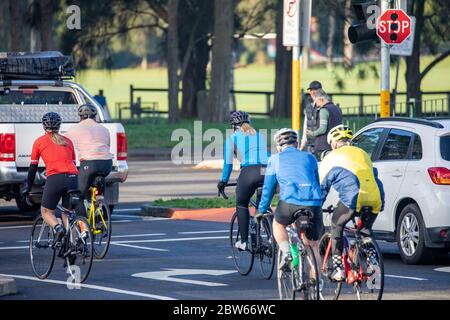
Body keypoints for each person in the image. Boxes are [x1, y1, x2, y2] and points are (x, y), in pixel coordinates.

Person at [319, 124, 385, 282]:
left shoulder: (330, 158)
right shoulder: (362, 153)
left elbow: (322, 187)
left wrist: (317, 206)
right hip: (376, 197)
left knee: (336, 225)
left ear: (333, 144)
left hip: (353, 198)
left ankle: (337, 269)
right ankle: (372, 263)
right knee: (365, 231)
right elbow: (374, 175)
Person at [257, 128, 323, 270]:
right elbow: (316, 182)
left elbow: (268, 189)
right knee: (313, 246)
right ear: (297, 143)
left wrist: (261, 210)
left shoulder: (275, 159)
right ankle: (316, 284)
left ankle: (287, 252)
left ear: (278, 147)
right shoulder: (310, 157)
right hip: (313, 203)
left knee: (278, 224)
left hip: (290, 202)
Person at [22, 112, 78, 245]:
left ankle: (58, 229)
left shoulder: (39, 141)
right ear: (59, 126)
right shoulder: (67, 141)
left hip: (55, 178)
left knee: (46, 211)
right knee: (68, 213)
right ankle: (74, 245)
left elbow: (33, 168)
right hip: (73, 178)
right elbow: (74, 164)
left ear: (43, 126)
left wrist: (27, 188)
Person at [217, 111, 269, 251]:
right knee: (263, 204)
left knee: (241, 204)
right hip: (267, 170)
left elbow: (228, 164)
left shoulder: (232, 138)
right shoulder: (259, 135)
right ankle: (268, 233)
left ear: (234, 126)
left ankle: (244, 241)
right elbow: (266, 155)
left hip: (249, 172)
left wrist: (222, 182)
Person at [66, 104, 113, 216]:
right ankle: (99, 202)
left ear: (80, 117)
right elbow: (107, 145)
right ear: (94, 116)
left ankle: (83, 229)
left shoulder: (73, 129)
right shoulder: (104, 129)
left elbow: (66, 147)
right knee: (96, 181)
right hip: (107, 164)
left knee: (79, 196)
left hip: (89, 163)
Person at [306, 89, 343, 160]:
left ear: (321, 99)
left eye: (316, 101)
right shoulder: (337, 109)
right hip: (336, 143)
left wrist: (312, 133)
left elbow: (322, 129)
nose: (316, 105)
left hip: (323, 146)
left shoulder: (324, 110)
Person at [300, 81, 322, 154]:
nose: (313, 92)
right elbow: (306, 127)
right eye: (311, 90)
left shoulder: (327, 107)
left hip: (323, 145)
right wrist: (303, 144)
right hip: (311, 145)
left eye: (315, 90)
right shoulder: (308, 108)